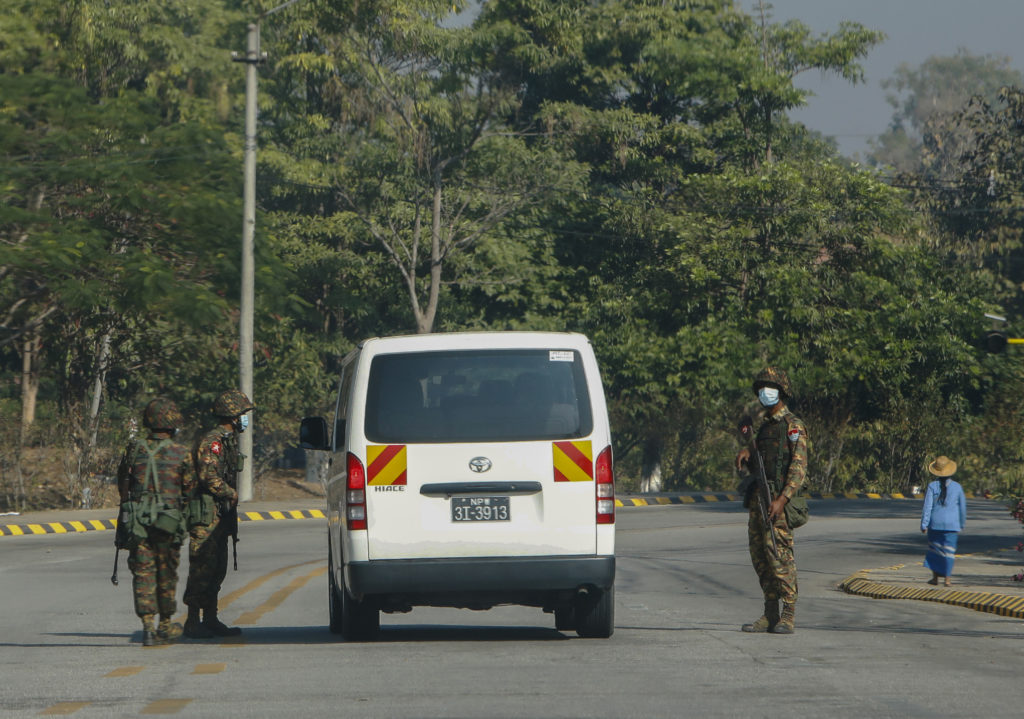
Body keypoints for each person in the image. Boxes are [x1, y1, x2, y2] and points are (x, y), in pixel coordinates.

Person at [734, 367, 809, 635]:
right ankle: (770, 612)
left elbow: (798, 470)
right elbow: (760, 460)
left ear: (781, 391)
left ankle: (788, 613)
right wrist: (745, 455)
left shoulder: (793, 426)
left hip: (778, 502)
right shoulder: (764, 427)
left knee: (780, 556)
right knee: (761, 557)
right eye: (762, 387)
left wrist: (782, 499)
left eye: (770, 386)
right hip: (758, 500)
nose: (765, 391)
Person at [116, 398, 191, 647]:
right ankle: (165, 626)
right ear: (172, 425)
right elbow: (190, 490)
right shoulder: (181, 453)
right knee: (166, 573)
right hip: (168, 522)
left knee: (143, 573)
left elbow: (123, 484)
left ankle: (147, 627)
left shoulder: (134, 449)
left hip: (138, 521)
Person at [183, 389, 253, 639]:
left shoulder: (227, 440)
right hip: (206, 514)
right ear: (232, 415)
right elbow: (207, 476)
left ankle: (210, 618)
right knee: (202, 568)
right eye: (243, 414)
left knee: (217, 568)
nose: (245, 419)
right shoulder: (212, 441)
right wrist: (229, 492)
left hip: (220, 514)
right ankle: (192, 621)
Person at [920, 455, 967, 588]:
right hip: (952, 525)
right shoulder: (957, 487)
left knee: (935, 550)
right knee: (949, 552)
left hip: (935, 524)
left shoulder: (932, 486)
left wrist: (924, 524)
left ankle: (935, 578)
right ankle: (947, 579)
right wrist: (962, 523)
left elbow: (927, 507)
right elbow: (962, 508)